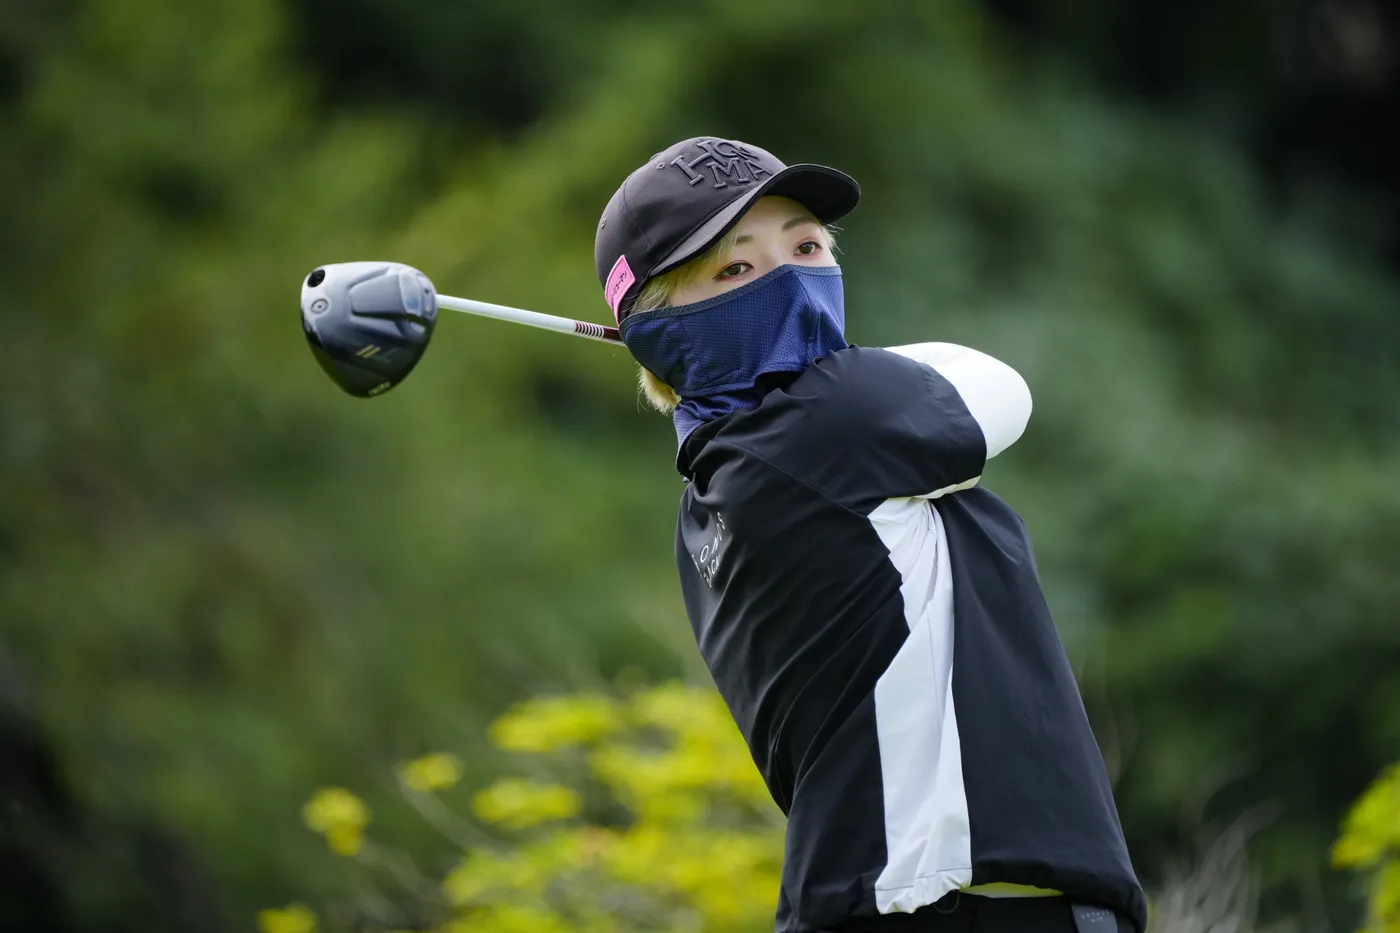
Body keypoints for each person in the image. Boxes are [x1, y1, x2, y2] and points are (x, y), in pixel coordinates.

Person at [594, 137, 1147, 933]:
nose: (792, 283)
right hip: (949, 907)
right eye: (736, 268)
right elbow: (1002, 388)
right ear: (661, 334)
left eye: (807, 248)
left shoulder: (715, 496)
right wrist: (835, 367)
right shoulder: (826, 430)